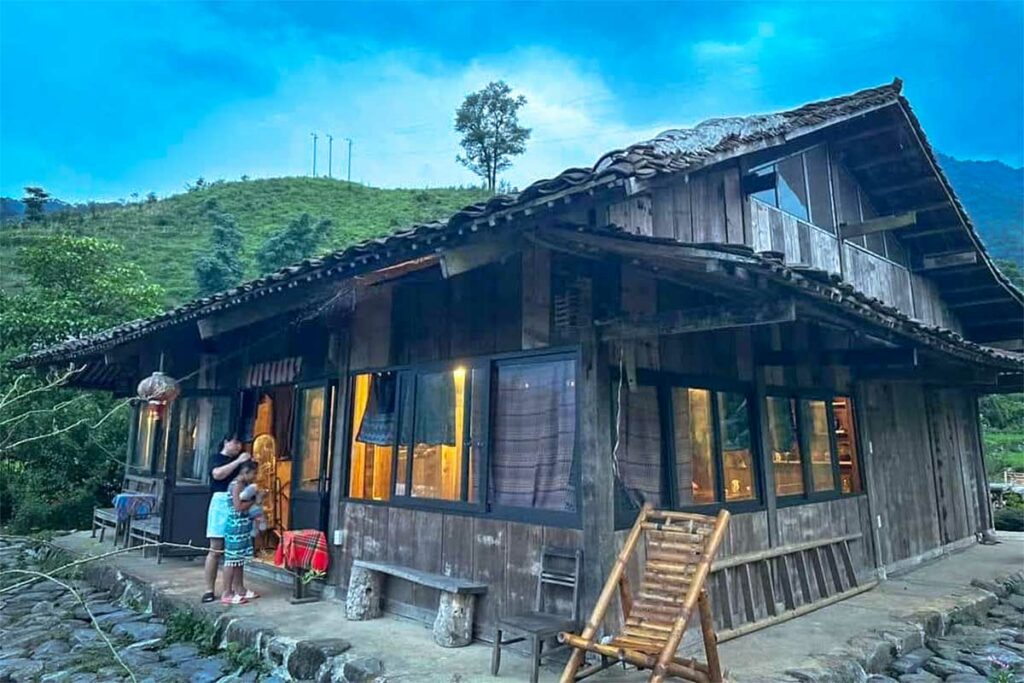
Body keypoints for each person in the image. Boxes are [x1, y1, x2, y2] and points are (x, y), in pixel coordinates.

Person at [202, 436, 251, 603]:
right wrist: (238, 462)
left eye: (240, 443)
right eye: (235, 442)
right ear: (226, 442)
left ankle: (239, 588)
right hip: (221, 502)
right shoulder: (216, 458)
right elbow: (218, 474)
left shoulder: (242, 459)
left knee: (237, 549)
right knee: (215, 548)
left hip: (238, 501)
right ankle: (209, 589)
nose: (239, 446)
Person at [221, 460, 259, 605]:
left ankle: (240, 588)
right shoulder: (236, 485)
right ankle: (227, 592)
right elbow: (238, 506)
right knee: (231, 560)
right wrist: (254, 501)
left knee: (239, 560)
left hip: (243, 526)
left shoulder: (244, 485)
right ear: (245, 472)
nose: (255, 476)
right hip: (235, 526)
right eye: (253, 473)